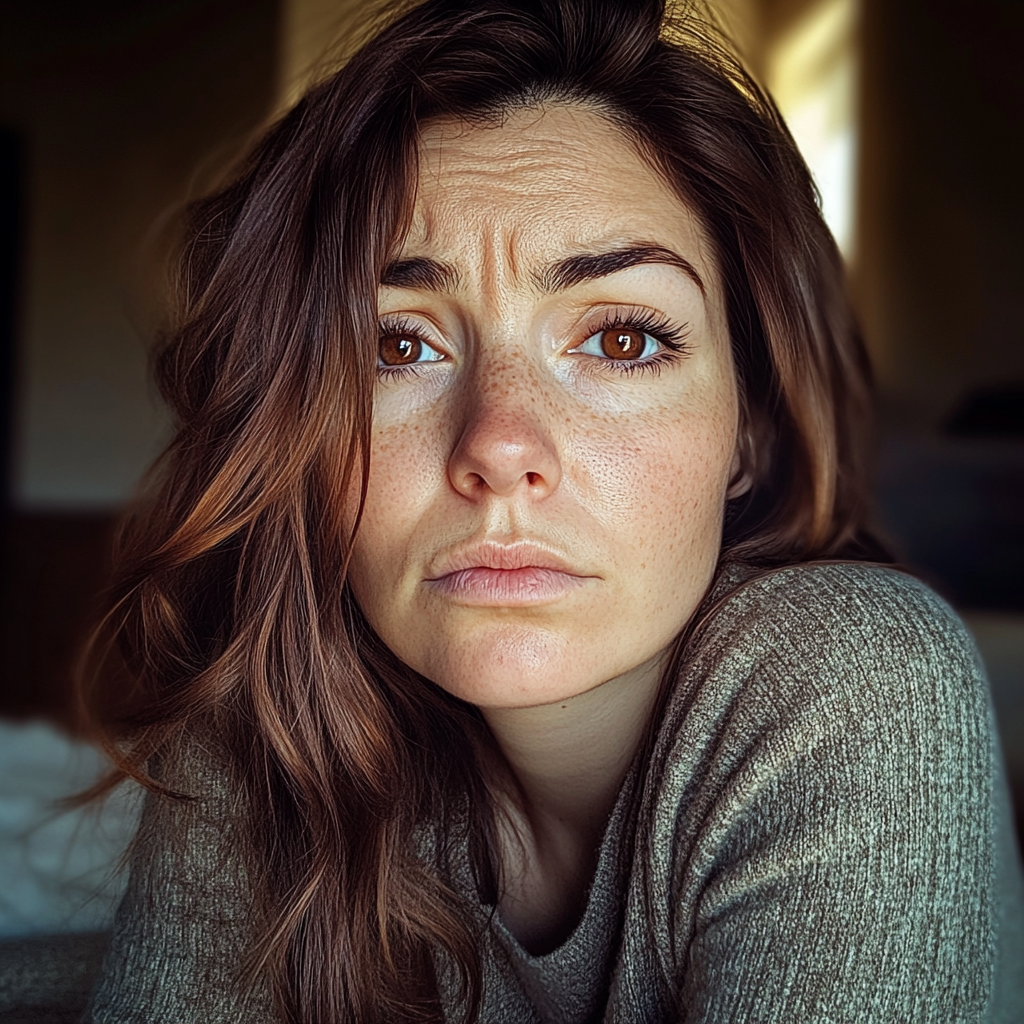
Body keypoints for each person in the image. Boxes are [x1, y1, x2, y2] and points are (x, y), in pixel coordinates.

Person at [79, 0, 1023, 1021]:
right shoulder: (265, 725)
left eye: (620, 339)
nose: (498, 447)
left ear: (748, 429)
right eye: (398, 346)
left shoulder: (859, 678)